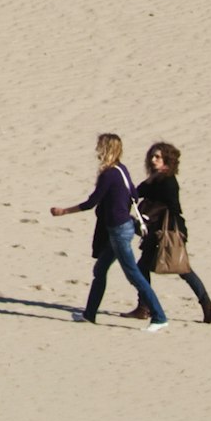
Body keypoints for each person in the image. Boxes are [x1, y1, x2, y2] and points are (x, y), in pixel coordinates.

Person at [49, 133, 166, 328]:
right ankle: (89, 314)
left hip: (119, 230)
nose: (97, 150)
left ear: (107, 149)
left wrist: (63, 211)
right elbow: (134, 194)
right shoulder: (122, 170)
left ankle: (159, 317)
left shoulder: (110, 174)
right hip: (120, 228)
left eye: (100, 146)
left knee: (133, 274)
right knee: (100, 270)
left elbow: (91, 203)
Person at [135, 141, 211, 325]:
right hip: (160, 230)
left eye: (158, 156)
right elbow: (137, 192)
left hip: (168, 230)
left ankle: (206, 307)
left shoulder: (166, 181)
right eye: (152, 156)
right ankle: (145, 306)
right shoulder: (157, 178)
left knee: (182, 268)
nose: (153, 159)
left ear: (167, 159)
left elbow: (172, 206)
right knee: (145, 266)